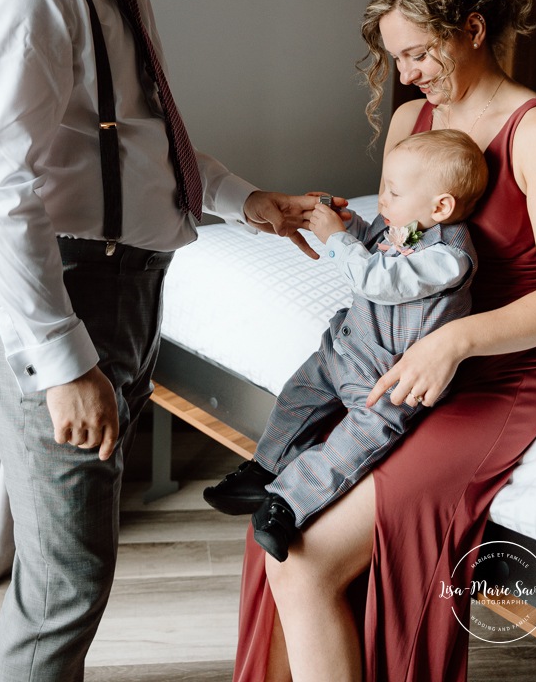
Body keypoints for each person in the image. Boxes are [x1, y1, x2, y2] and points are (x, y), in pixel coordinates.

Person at [0, 0, 323, 682]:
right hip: (65, 293)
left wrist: (245, 200)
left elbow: (137, 141)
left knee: (70, 554)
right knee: (71, 575)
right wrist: (65, 361)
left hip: (120, 289)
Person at [232, 0, 536, 682]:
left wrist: (455, 339)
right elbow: (399, 248)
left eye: (418, 52)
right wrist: (339, 226)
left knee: (300, 555)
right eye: (395, 56)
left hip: (493, 379)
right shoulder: (411, 123)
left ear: (471, 27)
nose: (405, 73)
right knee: (277, 507)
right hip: (400, 366)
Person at [204, 129, 487, 562]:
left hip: (386, 380)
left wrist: (336, 239)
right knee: (298, 397)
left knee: (352, 443)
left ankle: (287, 504)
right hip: (344, 346)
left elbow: (376, 278)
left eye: (392, 191)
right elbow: (373, 243)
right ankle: (265, 467)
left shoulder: (448, 258)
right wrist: (343, 222)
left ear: (441, 207)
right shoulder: (405, 226)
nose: (383, 200)